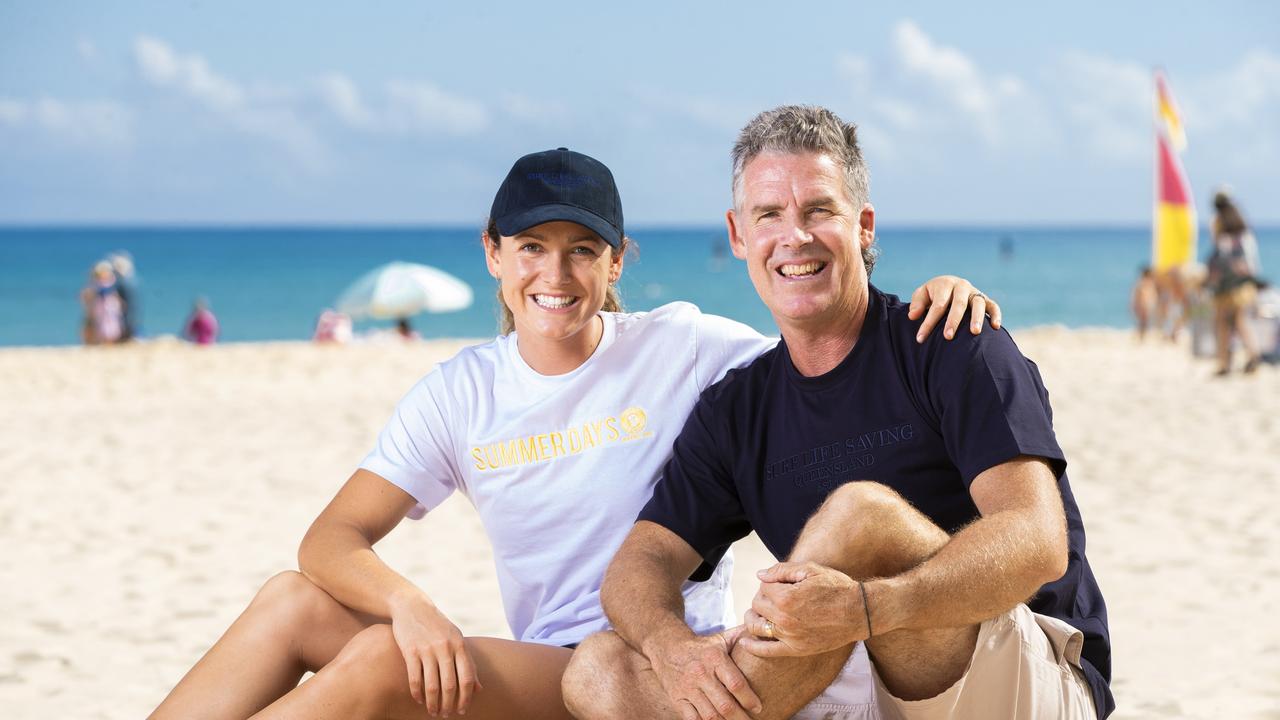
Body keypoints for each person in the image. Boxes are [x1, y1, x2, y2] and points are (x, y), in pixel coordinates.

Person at [148, 147, 999, 720]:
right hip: (529, 665)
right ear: (493, 254)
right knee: (289, 601)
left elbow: (826, 346)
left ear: (617, 260)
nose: (554, 276)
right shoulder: (461, 394)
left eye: (582, 250)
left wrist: (937, 296)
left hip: (630, 671)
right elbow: (328, 541)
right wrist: (413, 607)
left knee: (373, 667)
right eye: (531, 248)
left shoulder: (685, 348)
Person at [562, 106, 1112, 720]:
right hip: (852, 687)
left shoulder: (951, 343)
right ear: (739, 234)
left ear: (864, 226)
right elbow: (639, 564)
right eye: (769, 215)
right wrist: (673, 652)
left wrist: (869, 609)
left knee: (861, 516)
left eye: (819, 210)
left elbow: (1038, 543)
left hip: (1021, 676)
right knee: (597, 669)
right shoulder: (736, 409)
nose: (794, 236)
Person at [1206, 190, 1262, 374]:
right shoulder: (1243, 229)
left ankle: (1224, 362)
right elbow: (1252, 261)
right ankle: (1253, 353)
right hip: (1245, 283)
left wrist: (1209, 278)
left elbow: (1218, 257)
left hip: (1227, 284)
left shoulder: (1220, 226)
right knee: (1240, 321)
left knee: (1222, 322)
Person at [80, 261, 125, 345]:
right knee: (101, 327)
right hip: (101, 310)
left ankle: (109, 342)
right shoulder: (96, 285)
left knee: (110, 328)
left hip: (108, 310)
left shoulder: (111, 284)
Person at [1131, 265, 1158, 340]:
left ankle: (1140, 336)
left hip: (1145, 305)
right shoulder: (1143, 283)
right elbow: (1138, 295)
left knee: (1143, 322)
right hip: (1142, 305)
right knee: (1143, 322)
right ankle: (1140, 337)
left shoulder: (1146, 282)